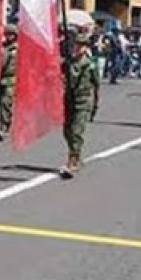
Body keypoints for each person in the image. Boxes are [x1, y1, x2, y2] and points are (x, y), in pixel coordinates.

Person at [60, 31, 100, 179]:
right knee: (67, 131)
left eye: (80, 46)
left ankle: (73, 160)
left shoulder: (90, 64)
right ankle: (75, 155)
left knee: (76, 131)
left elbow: (96, 85)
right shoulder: (69, 62)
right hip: (69, 100)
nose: (77, 48)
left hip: (83, 101)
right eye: (75, 45)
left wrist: (95, 105)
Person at [0, 25, 18, 142]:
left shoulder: (17, 48)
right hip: (0, 79)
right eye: (7, 34)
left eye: (11, 34)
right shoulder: (2, 47)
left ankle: (4, 127)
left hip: (12, 79)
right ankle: (8, 121)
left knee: (5, 102)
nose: (8, 36)